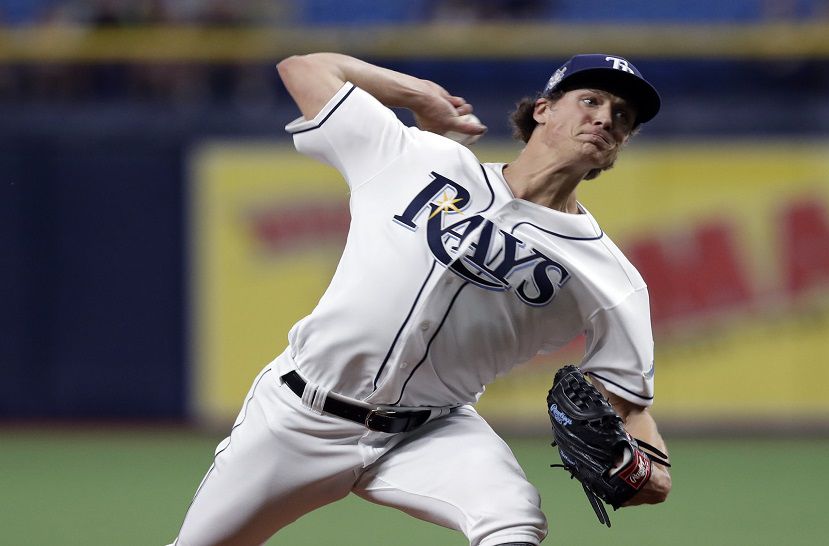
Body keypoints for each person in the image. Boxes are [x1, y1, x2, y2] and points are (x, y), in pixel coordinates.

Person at [170, 52, 671, 546]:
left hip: (429, 433)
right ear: (543, 109)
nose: (605, 117)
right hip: (296, 418)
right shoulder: (420, 159)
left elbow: (628, 406)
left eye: (622, 116)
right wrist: (417, 94)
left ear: (619, 145)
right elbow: (304, 68)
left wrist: (649, 473)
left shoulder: (610, 276)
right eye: (590, 100)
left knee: (513, 519)